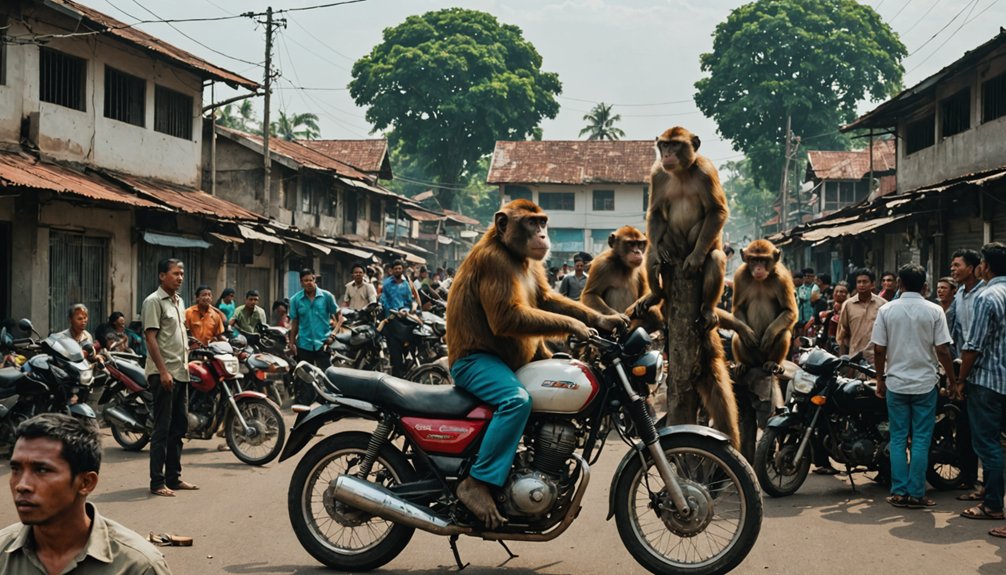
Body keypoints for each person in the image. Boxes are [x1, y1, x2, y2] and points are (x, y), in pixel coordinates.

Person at [0, 413, 173, 574]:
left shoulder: (138, 566)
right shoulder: (3, 553)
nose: (22, 485)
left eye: (42, 470)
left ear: (86, 483)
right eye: (16, 470)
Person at [872, 264, 956, 509]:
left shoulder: (887, 310)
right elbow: (943, 349)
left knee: (898, 438)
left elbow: (879, 349)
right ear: (924, 286)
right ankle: (917, 494)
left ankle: (899, 492)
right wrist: (952, 379)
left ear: (900, 284)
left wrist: (880, 378)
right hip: (925, 385)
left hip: (896, 383)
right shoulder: (934, 310)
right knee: (920, 440)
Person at [956, 242, 1006, 537]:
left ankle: (992, 504)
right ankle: (990, 496)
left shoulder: (987, 297)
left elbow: (972, 347)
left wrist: (961, 379)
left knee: (987, 445)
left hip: (988, 383)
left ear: (984, 266)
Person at [142, 258, 198, 497]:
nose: (180, 278)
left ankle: (174, 478)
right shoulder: (154, 302)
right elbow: (151, 338)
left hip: (181, 372)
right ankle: (157, 482)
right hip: (163, 374)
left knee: (179, 427)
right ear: (162, 276)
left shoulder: (178, 301)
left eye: (182, 274)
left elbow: (176, 335)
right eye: (175, 273)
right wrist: (163, 371)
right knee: (162, 429)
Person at [950, 248, 984, 496]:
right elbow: (958, 334)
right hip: (963, 367)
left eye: (957, 265)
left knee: (985, 430)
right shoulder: (960, 294)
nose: (953, 269)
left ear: (972, 268)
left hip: (984, 370)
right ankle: (969, 476)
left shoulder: (985, 295)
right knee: (963, 426)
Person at [289, 268, 341, 404]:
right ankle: (305, 404)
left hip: (323, 343)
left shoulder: (327, 296)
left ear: (315, 280)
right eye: (305, 281)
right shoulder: (295, 300)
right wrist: (291, 342)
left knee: (327, 375)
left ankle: (330, 401)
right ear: (301, 282)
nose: (308, 283)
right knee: (305, 377)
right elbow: (294, 322)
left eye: (311, 280)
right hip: (304, 344)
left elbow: (339, 317)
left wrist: (333, 334)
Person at [837, 268, 887, 364]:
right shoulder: (848, 305)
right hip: (854, 361)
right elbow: (843, 334)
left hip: (877, 360)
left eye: (865, 282)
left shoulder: (883, 305)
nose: (861, 285)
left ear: (872, 284)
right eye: (859, 282)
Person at [379, 260, 416, 378]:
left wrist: (405, 310)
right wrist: (392, 311)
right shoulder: (387, 284)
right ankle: (396, 374)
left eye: (400, 268)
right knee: (394, 350)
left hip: (403, 319)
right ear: (392, 270)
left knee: (407, 346)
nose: (398, 270)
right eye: (395, 268)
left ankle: (405, 369)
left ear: (402, 269)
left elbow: (409, 301)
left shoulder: (406, 284)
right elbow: (384, 300)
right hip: (391, 319)